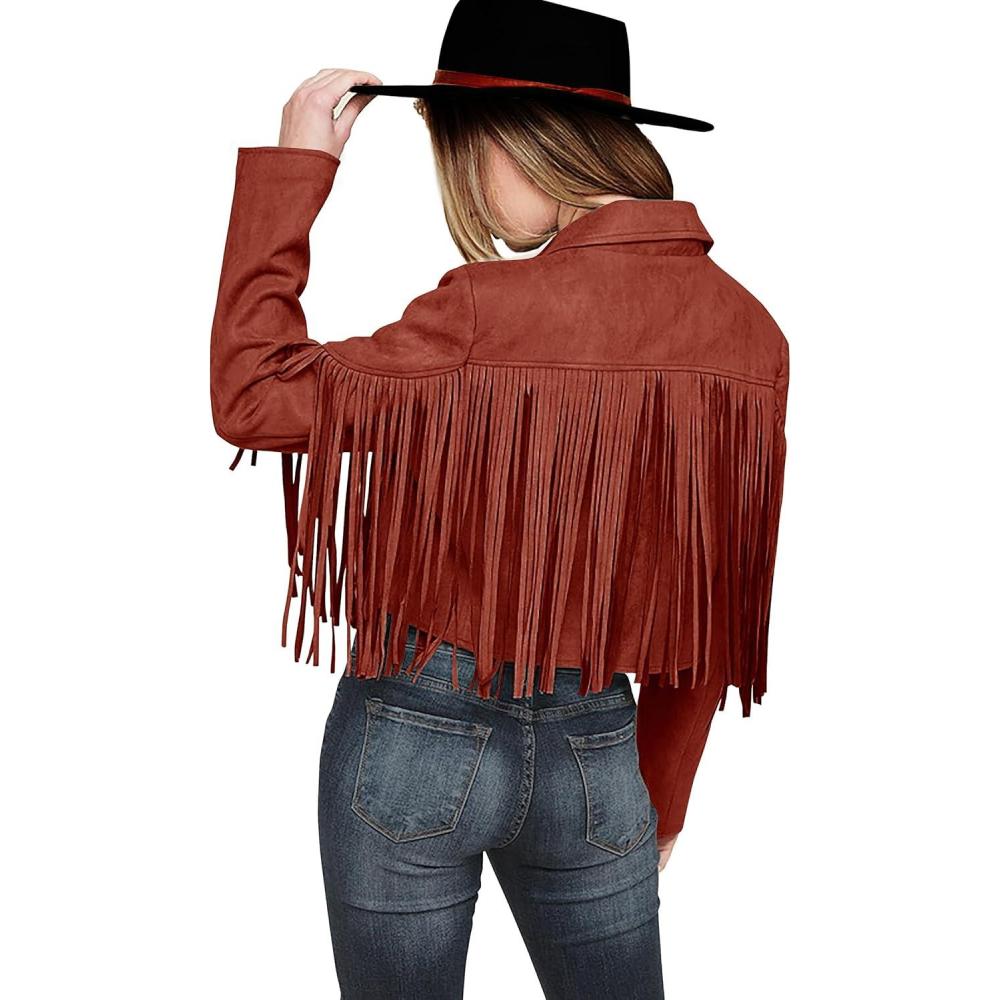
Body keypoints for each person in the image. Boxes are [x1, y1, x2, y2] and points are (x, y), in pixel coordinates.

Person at [209, 3, 789, 997]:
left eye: (460, 152)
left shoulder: (482, 309)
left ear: (509, 142)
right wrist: (659, 796)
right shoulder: (749, 335)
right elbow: (711, 603)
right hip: (598, 751)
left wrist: (295, 170)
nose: (467, 189)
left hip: (414, 732)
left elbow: (252, 395)